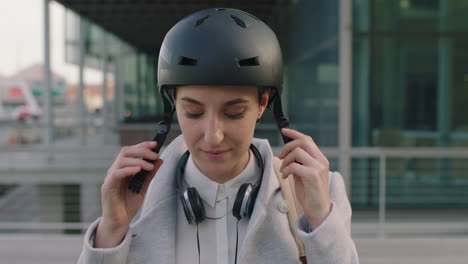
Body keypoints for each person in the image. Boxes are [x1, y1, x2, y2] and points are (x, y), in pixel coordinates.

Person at [78, 8, 359, 264]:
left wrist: (320, 218)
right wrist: (112, 230)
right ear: (173, 105)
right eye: (193, 113)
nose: (213, 137)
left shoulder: (322, 191)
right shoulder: (134, 197)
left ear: (263, 104)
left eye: (234, 113)